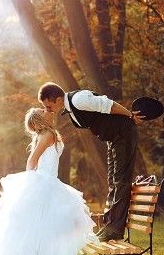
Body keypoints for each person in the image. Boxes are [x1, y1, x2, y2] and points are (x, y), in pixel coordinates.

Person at [0, 108, 98, 255]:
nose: (46, 109)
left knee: (46, 231)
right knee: (44, 230)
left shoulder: (48, 134)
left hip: (50, 182)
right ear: (39, 119)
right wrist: (30, 182)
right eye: (42, 110)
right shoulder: (48, 134)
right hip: (44, 182)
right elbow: (32, 160)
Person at [38, 82, 145, 242]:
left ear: (58, 99)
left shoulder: (79, 99)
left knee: (121, 181)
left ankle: (115, 229)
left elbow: (109, 105)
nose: (48, 110)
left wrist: (130, 116)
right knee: (113, 181)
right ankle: (109, 225)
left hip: (124, 133)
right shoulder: (69, 108)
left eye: (48, 106)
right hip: (113, 139)